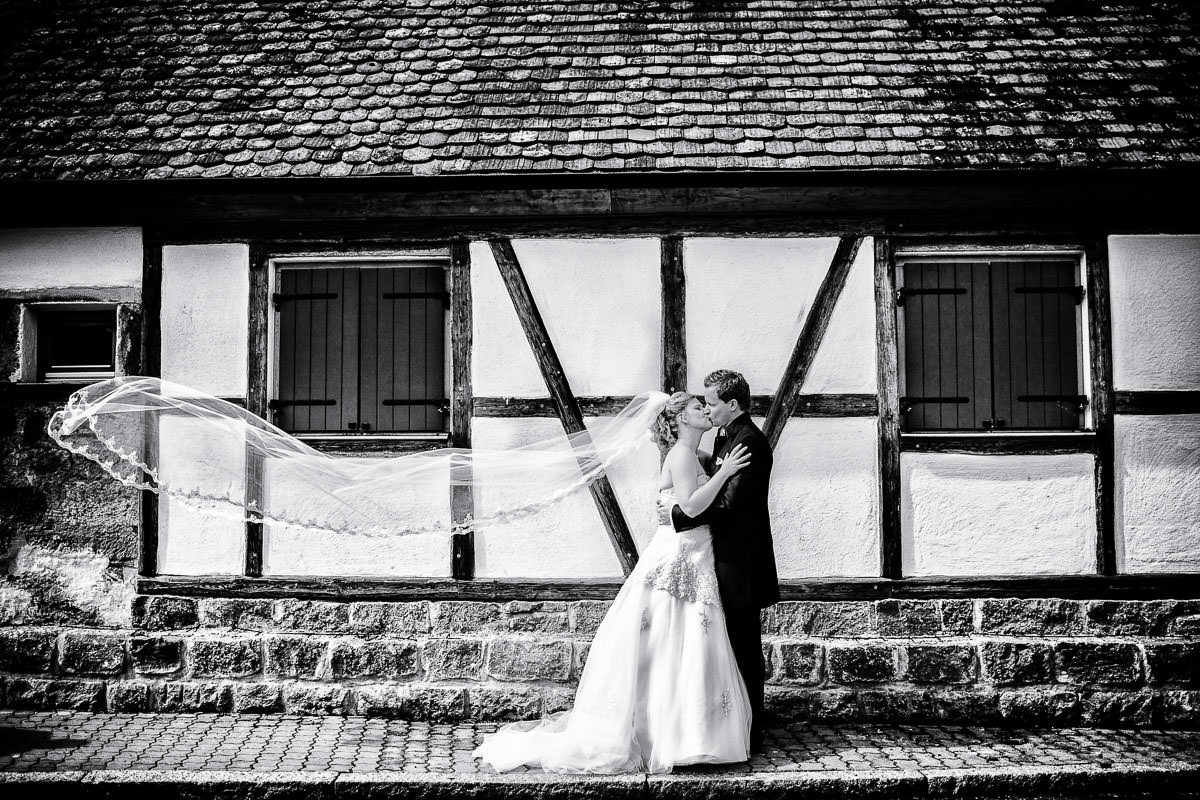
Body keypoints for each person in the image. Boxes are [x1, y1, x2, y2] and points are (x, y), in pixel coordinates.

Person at [473, 391, 754, 774]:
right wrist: (722, 474)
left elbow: (681, 499)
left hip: (693, 554)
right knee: (674, 638)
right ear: (680, 419)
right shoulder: (682, 456)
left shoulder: (695, 456)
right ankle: (678, 737)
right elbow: (689, 507)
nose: (704, 410)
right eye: (695, 407)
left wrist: (713, 472)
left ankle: (687, 735)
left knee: (683, 641)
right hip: (679, 558)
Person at [670, 369, 780, 755]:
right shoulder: (724, 436)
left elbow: (730, 504)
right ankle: (730, 725)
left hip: (740, 562)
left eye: (712, 403)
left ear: (732, 404)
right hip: (720, 557)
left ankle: (751, 732)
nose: (708, 408)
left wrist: (677, 515)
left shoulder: (749, 440)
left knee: (746, 647)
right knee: (729, 645)